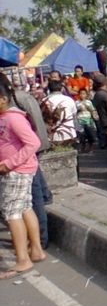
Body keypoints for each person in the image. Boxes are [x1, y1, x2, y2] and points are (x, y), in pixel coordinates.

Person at [0, 73, 53, 250]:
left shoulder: (20, 101)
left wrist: (38, 148)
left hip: (25, 158)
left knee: (32, 200)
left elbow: (35, 133)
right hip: (20, 158)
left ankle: (40, 241)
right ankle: (35, 244)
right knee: (26, 203)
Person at [42, 79, 77, 145]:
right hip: (69, 134)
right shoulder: (69, 99)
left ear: (49, 89)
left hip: (52, 136)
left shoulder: (44, 101)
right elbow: (74, 114)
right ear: (61, 89)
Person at [75, 88, 98, 153]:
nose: (82, 95)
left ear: (86, 95)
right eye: (81, 94)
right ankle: (83, 146)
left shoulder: (89, 102)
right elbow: (74, 112)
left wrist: (89, 109)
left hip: (88, 119)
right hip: (80, 120)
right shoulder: (76, 102)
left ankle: (90, 147)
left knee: (89, 134)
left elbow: (92, 110)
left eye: (84, 94)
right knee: (82, 135)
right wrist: (79, 110)